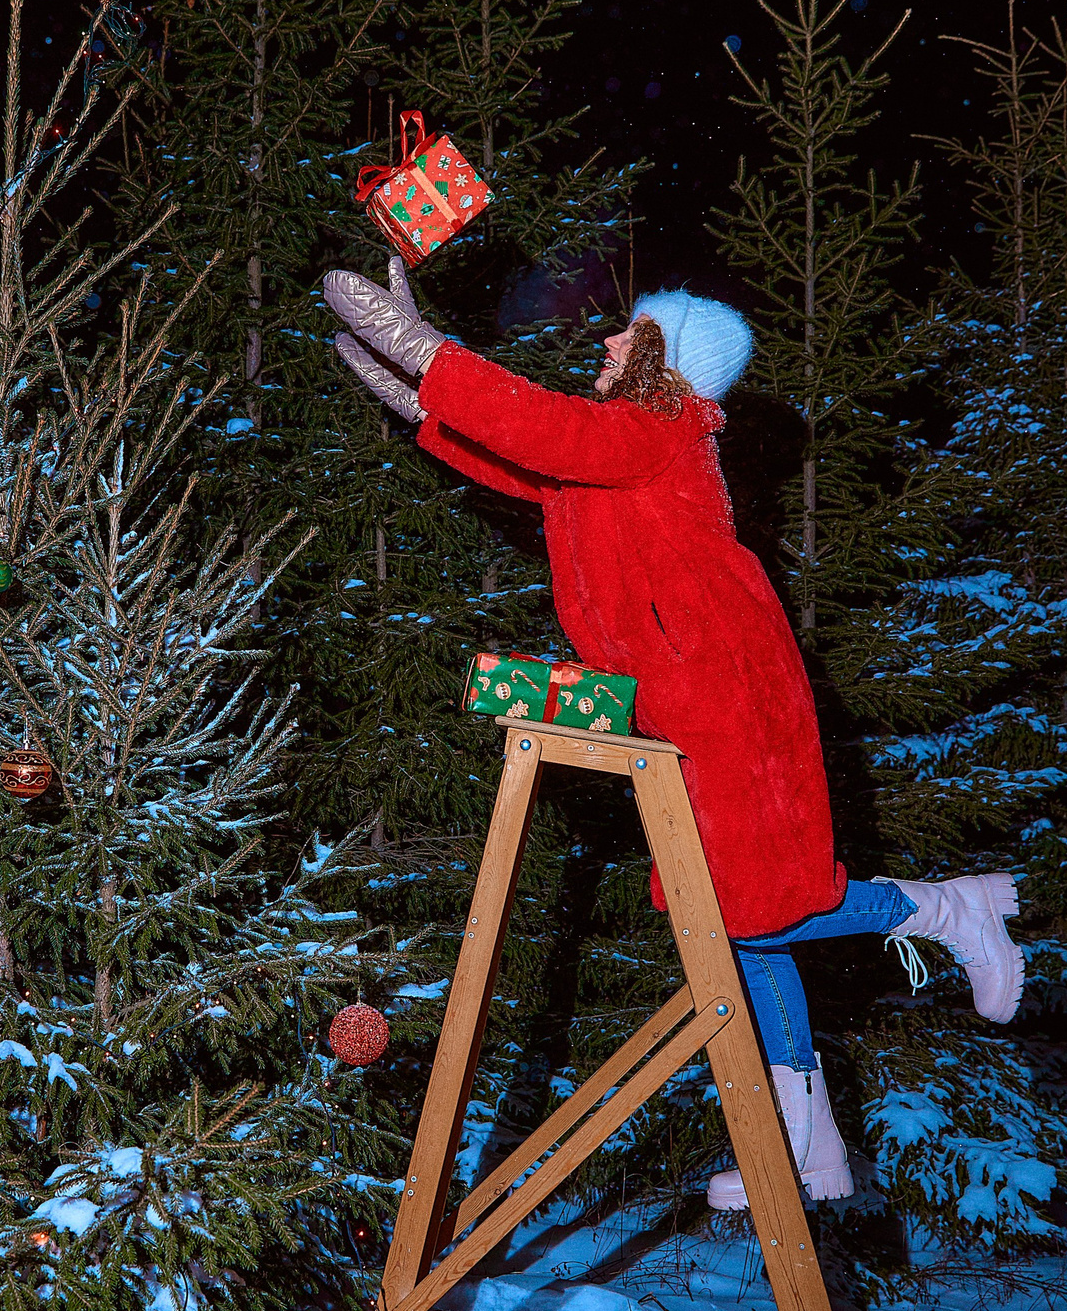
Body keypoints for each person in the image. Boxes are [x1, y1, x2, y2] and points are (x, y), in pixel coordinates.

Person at [322, 258, 1025, 1208]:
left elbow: (543, 425)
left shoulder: (658, 431)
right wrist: (420, 404)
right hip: (685, 697)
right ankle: (808, 1149)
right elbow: (531, 462)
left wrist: (427, 354)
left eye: (628, 333)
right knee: (747, 928)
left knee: (768, 903)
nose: (607, 342)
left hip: (729, 694)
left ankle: (948, 912)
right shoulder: (620, 451)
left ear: (664, 360)